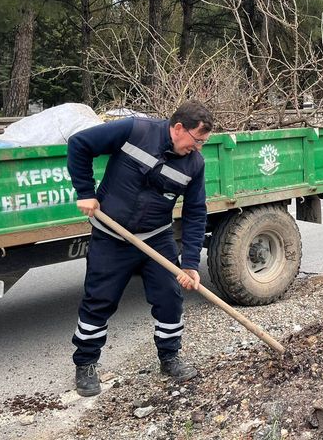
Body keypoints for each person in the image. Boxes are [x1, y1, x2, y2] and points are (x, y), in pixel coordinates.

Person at [66, 100, 213, 397]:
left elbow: (195, 212)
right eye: (197, 140)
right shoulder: (136, 130)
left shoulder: (194, 164)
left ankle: (170, 357)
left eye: (203, 143)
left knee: (170, 299)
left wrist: (189, 264)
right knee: (99, 300)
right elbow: (79, 144)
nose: (198, 147)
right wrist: (85, 192)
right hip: (111, 236)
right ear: (178, 128)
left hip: (156, 240)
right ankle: (86, 364)